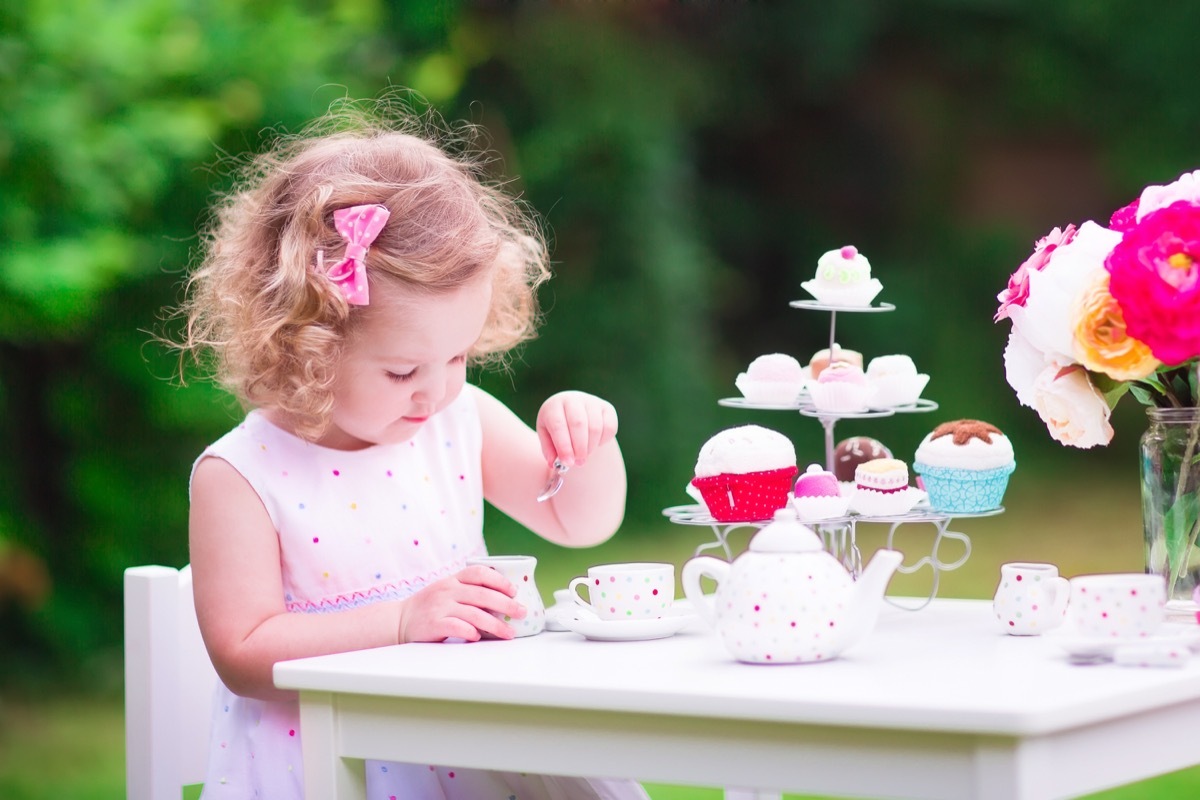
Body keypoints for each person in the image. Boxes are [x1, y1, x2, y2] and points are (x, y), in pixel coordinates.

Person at [173, 100, 647, 800]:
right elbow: (243, 654)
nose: (435, 391)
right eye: (402, 372)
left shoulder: (458, 419)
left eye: (458, 356)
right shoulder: (240, 475)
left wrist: (588, 442)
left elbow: (580, 522)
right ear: (306, 343)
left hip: (466, 740)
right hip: (328, 760)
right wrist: (400, 621)